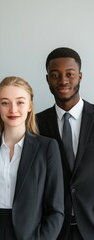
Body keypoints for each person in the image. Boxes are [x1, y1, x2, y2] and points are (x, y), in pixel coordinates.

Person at [0, 76, 64, 240]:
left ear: (30, 106)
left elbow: (56, 209)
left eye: (20, 102)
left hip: (30, 236)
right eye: (5, 103)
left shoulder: (47, 147)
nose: (13, 109)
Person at [36, 47, 94, 240]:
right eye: (55, 75)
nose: (63, 81)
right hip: (52, 231)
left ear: (80, 76)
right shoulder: (34, 124)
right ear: (47, 79)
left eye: (70, 74)